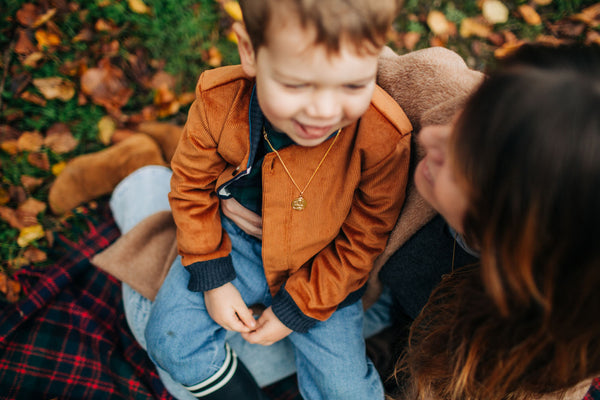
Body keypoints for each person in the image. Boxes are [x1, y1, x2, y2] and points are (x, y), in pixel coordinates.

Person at [143, 0, 411, 399]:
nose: (323, 111)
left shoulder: (384, 137)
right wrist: (213, 276)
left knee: (346, 392)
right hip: (234, 244)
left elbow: (365, 236)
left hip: (323, 268)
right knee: (169, 341)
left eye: (353, 84)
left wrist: (296, 310)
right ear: (250, 51)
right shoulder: (219, 102)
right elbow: (189, 184)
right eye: (296, 84)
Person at [390, 43, 600, 399]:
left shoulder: (544, 356)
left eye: (460, 167)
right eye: (465, 115)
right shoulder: (450, 93)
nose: (429, 134)